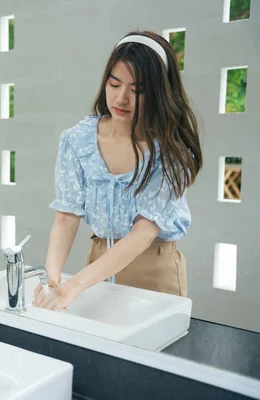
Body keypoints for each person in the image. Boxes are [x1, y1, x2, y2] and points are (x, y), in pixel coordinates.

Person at [33, 31, 203, 311]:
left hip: (153, 268)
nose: (121, 98)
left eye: (137, 90)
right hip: (95, 267)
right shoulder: (78, 139)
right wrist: (53, 278)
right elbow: (66, 216)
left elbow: (143, 233)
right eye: (114, 84)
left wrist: (75, 284)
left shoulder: (171, 152)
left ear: (160, 94)